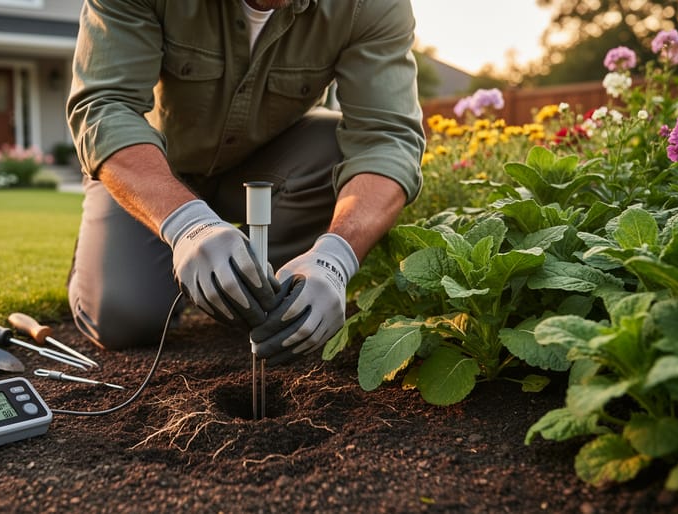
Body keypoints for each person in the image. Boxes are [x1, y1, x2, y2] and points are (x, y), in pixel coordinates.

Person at [66, 0, 424, 365]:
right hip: (156, 170)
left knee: (274, 308)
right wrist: (189, 224)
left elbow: (387, 138)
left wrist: (336, 257)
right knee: (125, 317)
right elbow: (106, 107)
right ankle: (128, 262)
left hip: (267, 165)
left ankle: (259, 285)